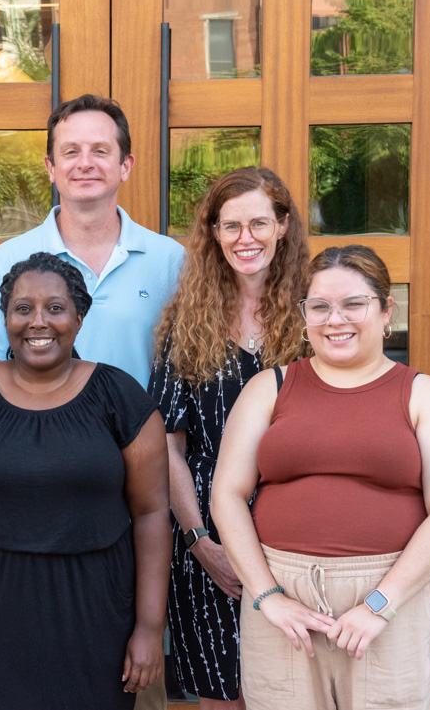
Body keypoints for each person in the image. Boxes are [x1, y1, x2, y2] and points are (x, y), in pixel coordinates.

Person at [211, 245, 430, 710]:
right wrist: (268, 596)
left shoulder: (426, 396)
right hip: (283, 599)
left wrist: (379, 605)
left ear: (386, 309)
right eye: (319, 306)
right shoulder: (268, 388)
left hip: (392, 597)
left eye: (353, 303)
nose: (335, 319)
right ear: (304, 314)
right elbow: (227, 495)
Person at [0, 252, 171, 709]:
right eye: (23, 308)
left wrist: (150, 628)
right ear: (5, 318)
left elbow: (151, 514)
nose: (38, 322)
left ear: (79, 316)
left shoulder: (120, 397)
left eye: (55, 308)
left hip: (96, 614)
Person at [149, 167, 309, 708]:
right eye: (231, 225)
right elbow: (168, 444)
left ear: (283, 226)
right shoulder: (187, 320)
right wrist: (200, 541)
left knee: (292, 689)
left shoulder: (317, 315)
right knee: (221, 694)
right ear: (213, 234)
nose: (246, 238)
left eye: (259, 223)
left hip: (296, 531)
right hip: (206, 535)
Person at [0, 93, 184, 389]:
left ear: (125, 166)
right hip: (40, 434)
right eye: (71, 152)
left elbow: (189, 373)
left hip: (141, 435)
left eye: (100, 151)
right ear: (51, 168)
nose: (85, 163)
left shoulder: (171, 261)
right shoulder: (6, 261)